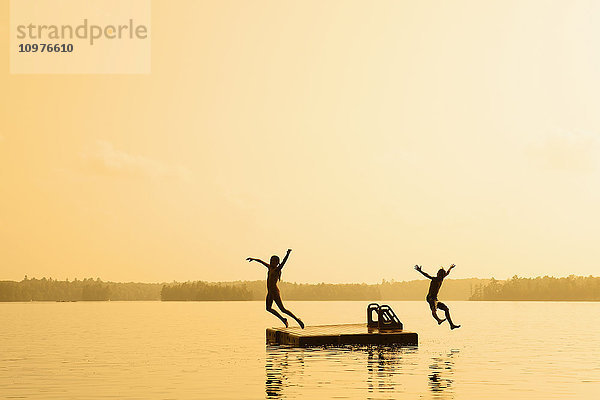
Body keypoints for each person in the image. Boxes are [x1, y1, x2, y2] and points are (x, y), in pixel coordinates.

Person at [247, 249, 304, 328]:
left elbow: (284, 262)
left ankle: (297, 319)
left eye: (273, 261)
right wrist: (253, 259)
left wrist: (287, 254)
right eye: (271, 260)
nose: (271, 262)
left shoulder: (277, 269)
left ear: (277, 263)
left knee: (283, 309)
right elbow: (261, 261)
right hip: (270, 292)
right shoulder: (269, 267)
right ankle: (283, 319)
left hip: (275, 292)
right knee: (268, 308)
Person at [414, 264, 461, 330]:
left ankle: (451, 325)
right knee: (434, 309)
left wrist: (450, 268)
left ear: (440, 275)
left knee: (446, 309)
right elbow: (427, 275)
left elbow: (447, 273)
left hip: (435, 299)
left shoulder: (440, 279)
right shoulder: (435, 279)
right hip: (430, 298)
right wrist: (420, 271)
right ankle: (438, 320)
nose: (437, 274)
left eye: (438, 273)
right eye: (438, 273)